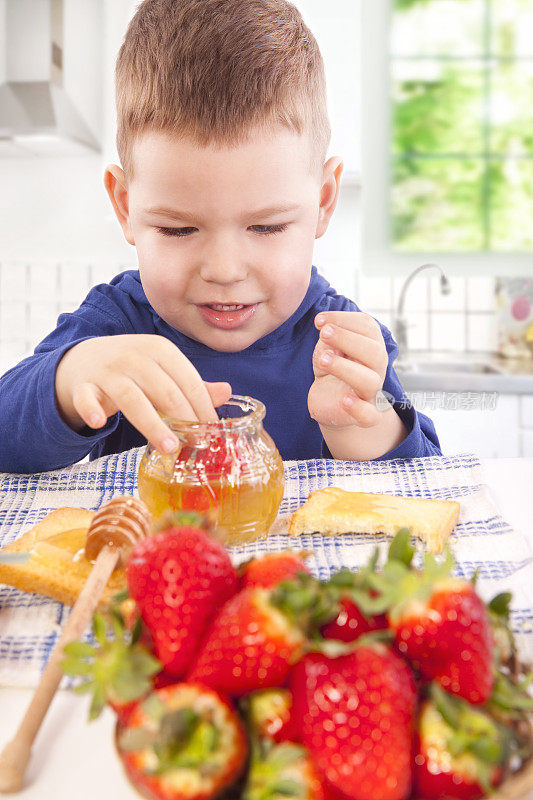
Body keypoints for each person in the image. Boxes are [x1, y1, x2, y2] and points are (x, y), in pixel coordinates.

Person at [0, 0, 440, 474]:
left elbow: (433, 483)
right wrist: (70, 381)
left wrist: (367, 428)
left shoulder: (339, 341)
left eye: (266, 226)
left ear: (324, 200)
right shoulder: (117, 322)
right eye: (178, 229)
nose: (225, 270)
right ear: (126, 206)